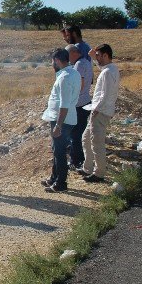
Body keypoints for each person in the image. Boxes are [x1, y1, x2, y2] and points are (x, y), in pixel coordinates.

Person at [78, 44, 120, 182]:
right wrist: (93, 57)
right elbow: (102, 68)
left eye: (99, 56)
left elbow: (105, 95)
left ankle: (99, 173)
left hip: (100, 111)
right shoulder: (110, 69)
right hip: (99, 110)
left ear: (106, 55)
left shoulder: (108, 72)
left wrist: (96, 109)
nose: (97, 59)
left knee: (97, 143)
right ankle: (87, 168)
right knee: (86, 138)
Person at [41, 48, 81, 192]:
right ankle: (54, 177)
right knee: (56, 149)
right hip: (65, 118)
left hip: (62, 120)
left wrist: (58, 125)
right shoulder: (74, 73)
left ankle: (61, 183)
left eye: (53, 61)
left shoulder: (64, 77)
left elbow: (64, 104)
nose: (52, 64)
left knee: (59, 152)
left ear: (57, 60)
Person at [66, 44, 93, 170]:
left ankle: (76, 160)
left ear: (73, 53)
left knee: (75, 134)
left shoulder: (79, 65)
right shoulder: (86, 62)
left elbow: (80, 84)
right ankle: (81, 159)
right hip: (85, 101)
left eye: (68, 55)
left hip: (79, 103)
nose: (68, 59)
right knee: (80, 132)